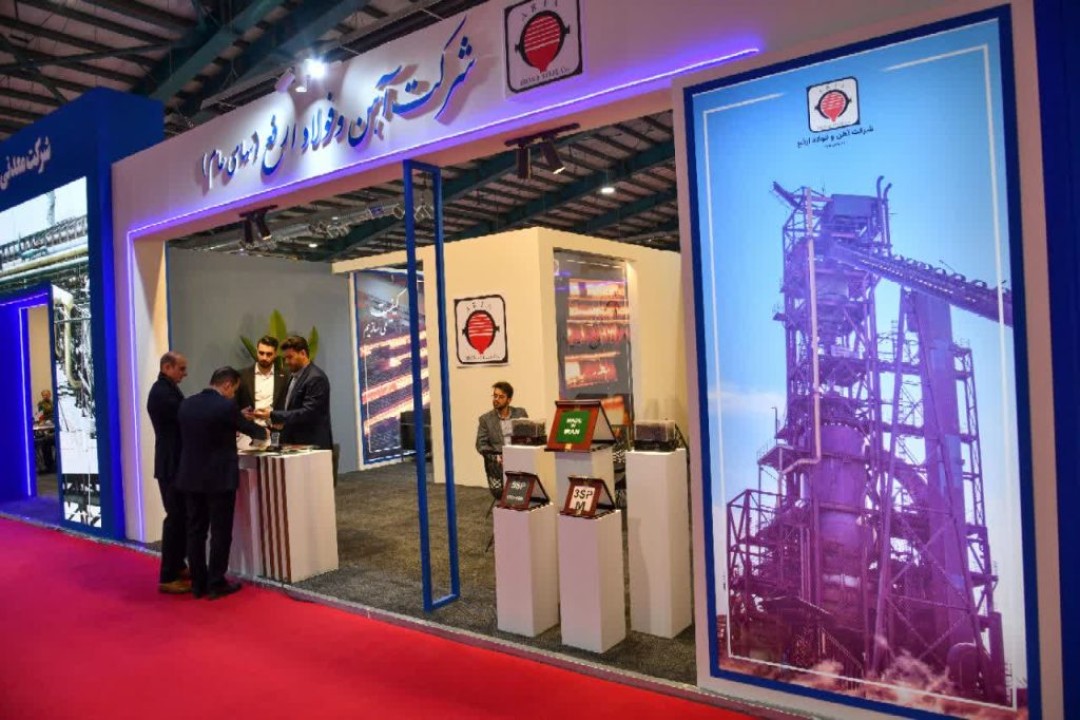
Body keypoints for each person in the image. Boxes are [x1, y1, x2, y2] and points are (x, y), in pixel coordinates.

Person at [175, 366, 268, 600]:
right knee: (220, 532)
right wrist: (265, 432)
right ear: (227, 385)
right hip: (219, 478)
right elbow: (248, 428)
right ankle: (216, 581)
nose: (233, 395)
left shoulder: (186, 404)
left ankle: (198, 583)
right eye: (234, 390)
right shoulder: (226, 406)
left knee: (195, 531)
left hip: (190, 477)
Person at [146, 351, 190, 594]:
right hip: (171, 463)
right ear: (167, 367)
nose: (185, 374)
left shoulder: (167, 389)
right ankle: (168, 575)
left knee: (180, 517)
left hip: (174, 461)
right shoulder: (162, 393)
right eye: (181, 369)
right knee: (175, 518)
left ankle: (178, 564)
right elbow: (185, 416)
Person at [257, 335, 332, 450]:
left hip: (312, 446)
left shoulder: (316, 378)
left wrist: (273, 415)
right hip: (294, 445)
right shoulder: (293, 376)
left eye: (290, 357)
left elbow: (308, 413)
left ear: (303, 353)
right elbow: (291, 408)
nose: (286, 362)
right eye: (285, 358)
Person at [235, 335, 290, 447]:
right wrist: (241, 414)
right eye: (261, 353)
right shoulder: (242, 375)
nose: (264, 357)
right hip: (248, 433)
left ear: (275, 354)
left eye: (269, 354)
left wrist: (276, 418)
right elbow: (233, 404)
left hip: (274, 432)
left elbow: (288, 406)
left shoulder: (285, 377)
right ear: (257, 351)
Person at [475, 381, 528, 468]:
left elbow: (528, 437)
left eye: (501, 397)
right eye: (495, 396)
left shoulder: (520, 414)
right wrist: (497, 457)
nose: (496, 399)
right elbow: (481, 445)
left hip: (519, 462)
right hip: (496, 467)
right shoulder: (485, 419)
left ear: (509, 400)